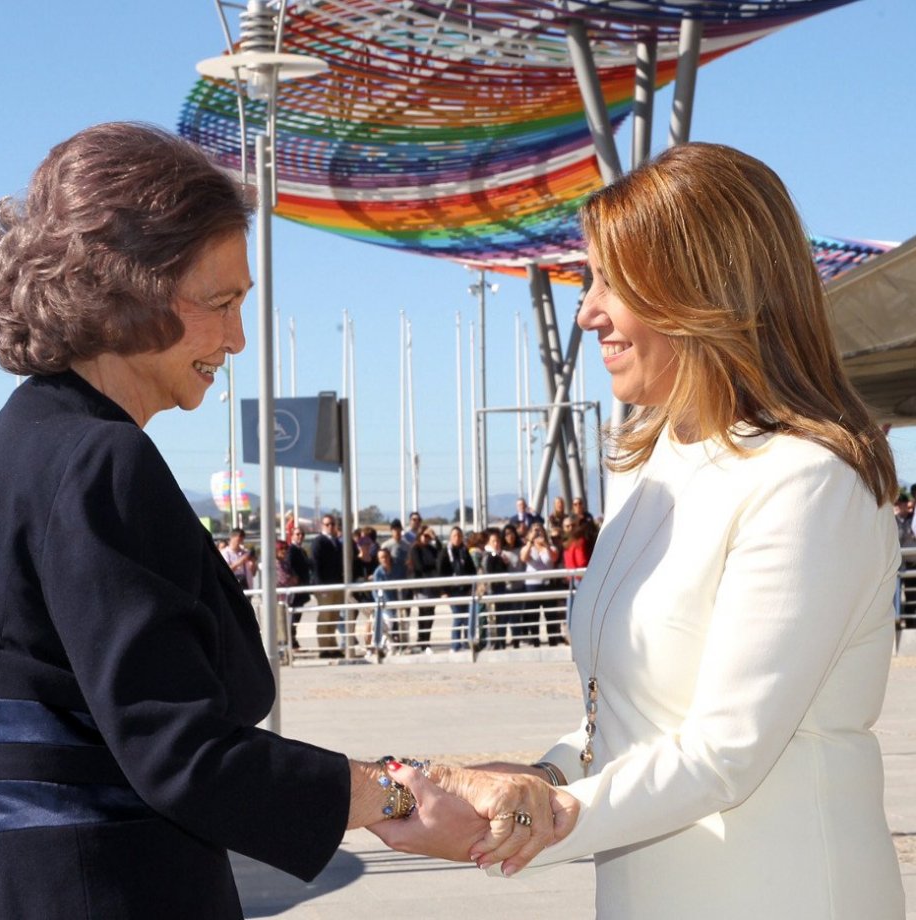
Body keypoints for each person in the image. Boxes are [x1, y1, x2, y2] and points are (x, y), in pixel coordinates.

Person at [0, 122, 574, 918]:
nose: (236, 339)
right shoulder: (102, 463)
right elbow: (181, 752)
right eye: (220, 303)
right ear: (124, 293)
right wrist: (398, 799)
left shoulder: (24, 446)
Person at [380, 142, 905, 919]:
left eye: (609, 282)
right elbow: (621, 719)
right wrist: (529, 781)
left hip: (781, 893)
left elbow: (727, 746)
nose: (587, 310)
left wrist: (546, 815)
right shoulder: (645, 465)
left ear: (700, 291)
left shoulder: (806, 480)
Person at [436, 525, 477, 652]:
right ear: (450, 537)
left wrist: (472, 587)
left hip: (465, 590)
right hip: (452, 590)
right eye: (454, 536)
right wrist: (444, 591)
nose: (457, 538)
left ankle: (466, 643)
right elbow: (440, 571)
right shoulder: (445, 552)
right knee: (458, 617)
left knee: (466, 617)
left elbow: (472, 570)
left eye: (459, 536)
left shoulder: (465, 551)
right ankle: (455, 645)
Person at [310, 513, 345, 658]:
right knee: (325, 617)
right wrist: (320, 586)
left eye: (332, 524)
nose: (330, 527)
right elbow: (315, 565)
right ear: (322, 526)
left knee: (334, 617)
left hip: (337, 584)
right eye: (327, 524)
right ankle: (324, 647)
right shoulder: (318, 541)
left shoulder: (336, 541)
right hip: (324, 586)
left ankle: (332, 645)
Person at [408, 524, 441, 653]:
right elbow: (419, 566)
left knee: (431, 613)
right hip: (421, 586)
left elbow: (440, 554)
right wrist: (433, 566)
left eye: (428, 536)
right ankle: (422, 640)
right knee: (423, 613)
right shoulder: (415, 549)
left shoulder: (431, 549)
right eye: (425, 536)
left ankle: (426, 640)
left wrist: (435, 537)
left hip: (432, 586)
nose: (426, 538)